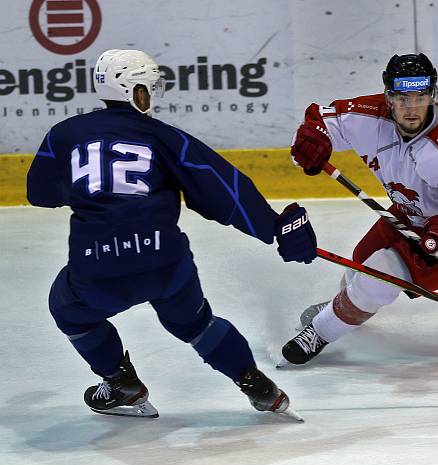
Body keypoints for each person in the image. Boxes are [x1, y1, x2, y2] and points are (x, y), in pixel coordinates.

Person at [27, 49, 316, 419]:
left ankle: (121, 384)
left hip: (97, 265)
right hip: (164, 261)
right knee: (196, 324)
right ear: (133, 90)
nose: (153, 95)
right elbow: (223, 190)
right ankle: (256, 383)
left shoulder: (62, 135)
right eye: (148, 87)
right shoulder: (163, 136)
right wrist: (274, 227)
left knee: (68, 310)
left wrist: (90, 194)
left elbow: (40, 193)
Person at [282, 52, 438, 365]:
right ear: (389, 96)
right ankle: (345, 306)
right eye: (402, 98)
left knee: (378, 276)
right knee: (360, 263)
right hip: (413, 210)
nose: (412, 108)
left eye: (420, 97)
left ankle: (320, 332)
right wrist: (310, 143)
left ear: (433, 94)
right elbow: (317, 121)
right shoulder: (369, 115)